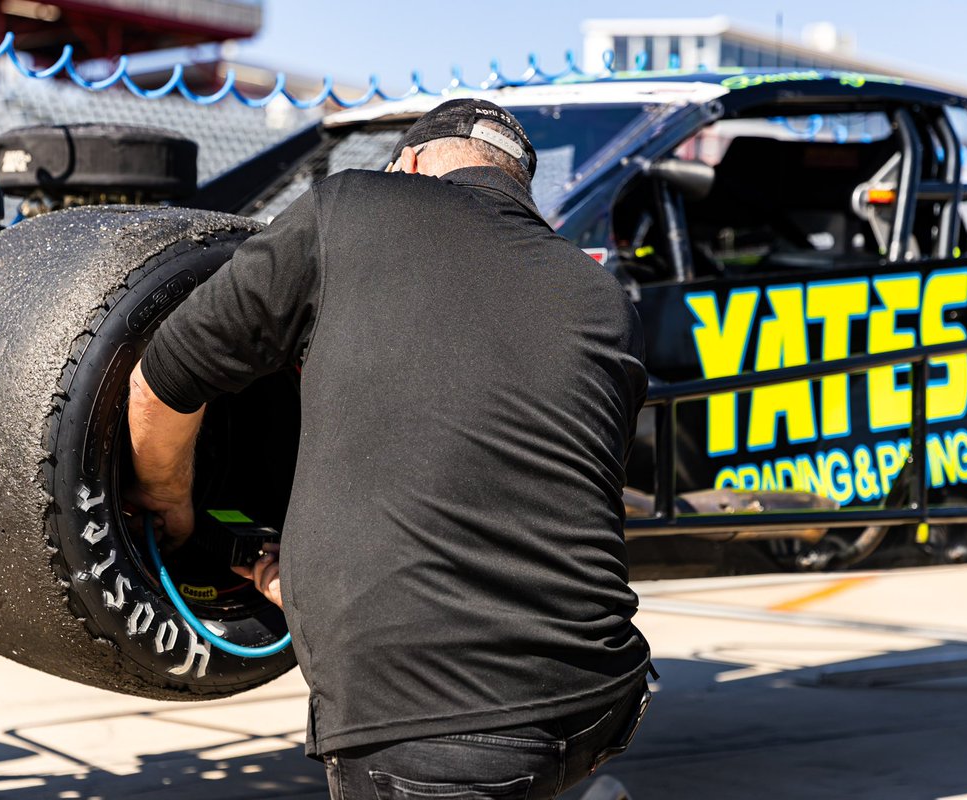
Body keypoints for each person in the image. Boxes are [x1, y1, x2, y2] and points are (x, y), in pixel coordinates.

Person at [127, 98, 653, 800]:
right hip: (602, 694)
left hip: (431, 728)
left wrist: (171, 505)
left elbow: (162, 380)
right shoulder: (603, 297)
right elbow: (526, 490)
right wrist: (313, 585)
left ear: (406, 164)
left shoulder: (352, 208)